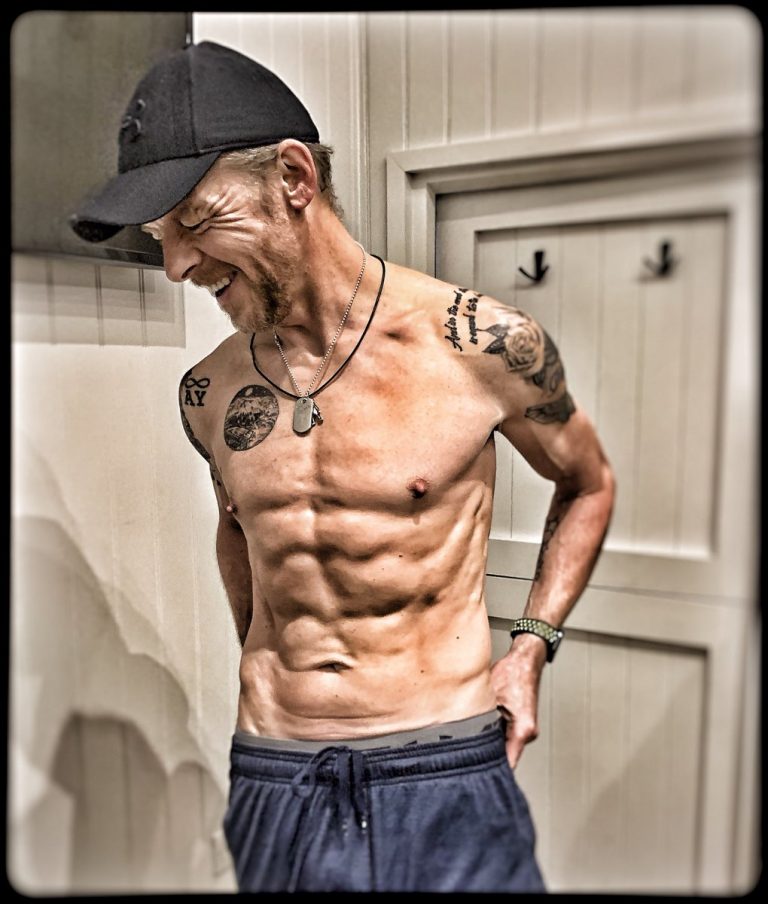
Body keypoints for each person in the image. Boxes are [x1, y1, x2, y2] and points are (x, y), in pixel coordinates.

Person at [71, 40, 615, 894]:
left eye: (195, 220)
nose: (176, 265)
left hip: (441, 771)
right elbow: (242, 533)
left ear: (294, 177)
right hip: (275, 775)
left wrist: (530, 648)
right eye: (159, 237)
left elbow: (589, 484)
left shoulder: (481, 346)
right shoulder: (208, 393)